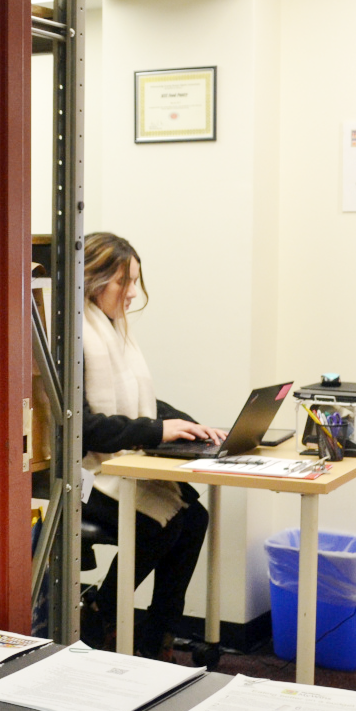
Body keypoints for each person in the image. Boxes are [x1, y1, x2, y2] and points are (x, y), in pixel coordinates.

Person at [77, 231, 222, 657]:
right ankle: (105, 609)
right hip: (83, 476)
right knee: (165, 523)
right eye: (124, 282)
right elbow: (87, 429)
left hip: (113, 469)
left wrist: (193, 426)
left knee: (193, 518)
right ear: (93, 279)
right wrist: (159, 431)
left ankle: (157, 633)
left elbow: (140, 402)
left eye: (135, 282)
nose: (132, 294)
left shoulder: (111, 330)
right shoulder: (76, 338)